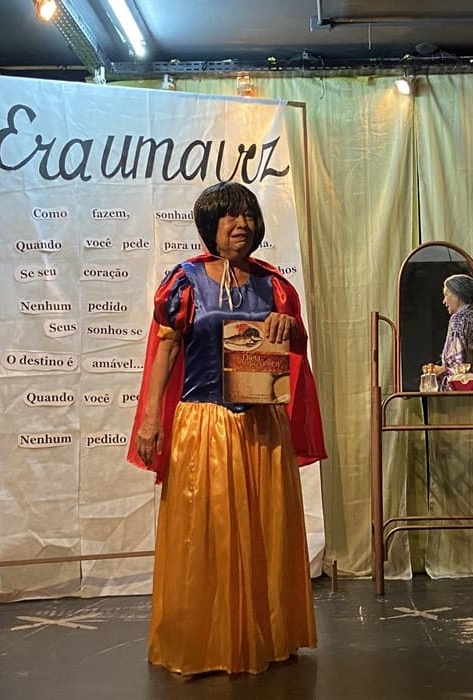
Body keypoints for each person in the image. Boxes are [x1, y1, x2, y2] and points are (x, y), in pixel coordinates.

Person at [127, 181, 326, 676]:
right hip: (204, 425)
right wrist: (150, 418)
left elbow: (295, 344)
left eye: (248, 215)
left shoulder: (274, 285)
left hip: (263, 426)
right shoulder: (185, 281)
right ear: (209, 225)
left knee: (265, 533)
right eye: (230, 216)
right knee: (205, 535)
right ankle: (202, 641)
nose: (242, 224)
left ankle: (265, 636)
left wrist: (287, 325)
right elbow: (166, 350)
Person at [422, 274, 473, 390]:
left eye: (446, 295)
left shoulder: (458, 319)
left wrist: (441, 370)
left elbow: (458, 364)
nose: (444, 301)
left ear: (457, 295)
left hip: (461, 388)